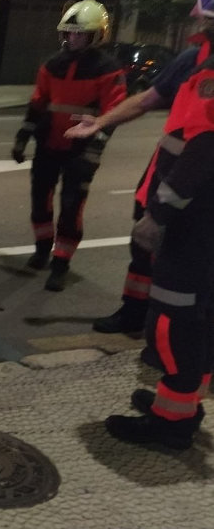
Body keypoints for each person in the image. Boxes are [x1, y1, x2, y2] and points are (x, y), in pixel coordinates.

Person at [66, 0, 214, 342]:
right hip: (164, 181)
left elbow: (204, 147)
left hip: (194, 194)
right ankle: (137, 314)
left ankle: (180, 356)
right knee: (146, 253)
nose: (195, 15)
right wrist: (100, 122)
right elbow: (149, 98)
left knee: (186, 281)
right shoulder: (194, 58)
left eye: (202, 8)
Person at [103, 50, 214, 450]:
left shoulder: (211, 78)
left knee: (174, 321)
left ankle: (171, 426)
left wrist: (158, 214)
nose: (194, 16)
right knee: (201, 317)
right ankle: (183, 406)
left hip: (193, 224)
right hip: (202, 222)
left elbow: (201, 151)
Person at [12, 0, 126, 292]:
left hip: (81, 150)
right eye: (69, 33)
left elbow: (111, 114)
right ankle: (41, 250)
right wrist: (22, 137)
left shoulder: (108, 70)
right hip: (49, 143)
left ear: (96, 35)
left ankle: (61, 263)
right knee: (40, 199)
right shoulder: (52, 64)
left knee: (72, 206)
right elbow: (38, 102)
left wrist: (94, 149)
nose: (72, 38)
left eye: (79, 33)